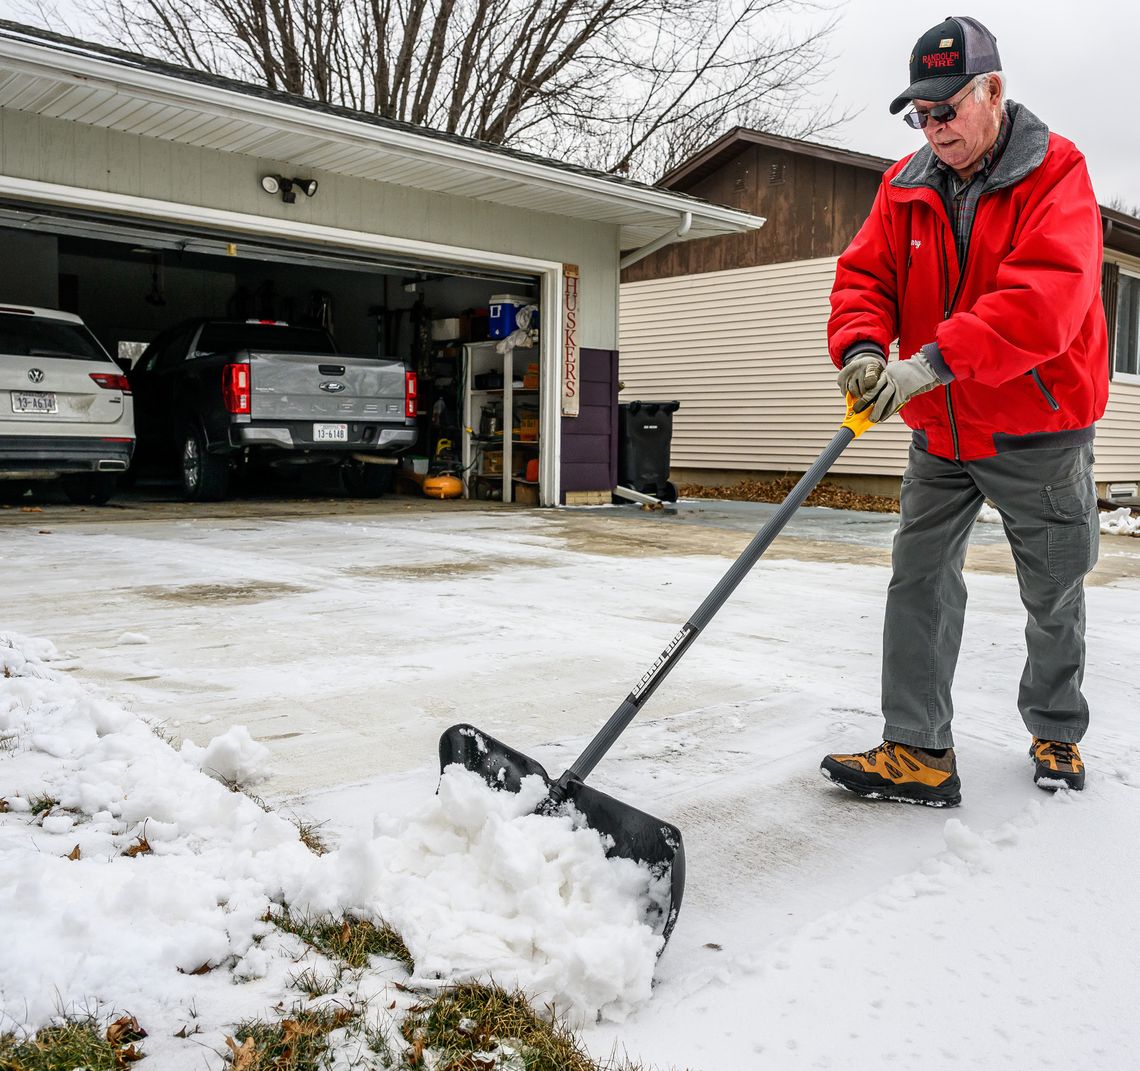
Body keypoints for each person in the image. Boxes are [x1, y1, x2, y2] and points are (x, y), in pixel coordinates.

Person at [821, 15, 1109, 807]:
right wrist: (864, 352)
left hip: (1037, 429)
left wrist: (930, 363)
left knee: (1052, 589)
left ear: (993, 92)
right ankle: (917, 749)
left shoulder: (1057, 175)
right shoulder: (904, 184)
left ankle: (1055, 723)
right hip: (941, 428)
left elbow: (1042, 304)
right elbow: (863, 279)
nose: (933, 127)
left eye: (946, 110)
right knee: (919, 577)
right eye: (921, 113)